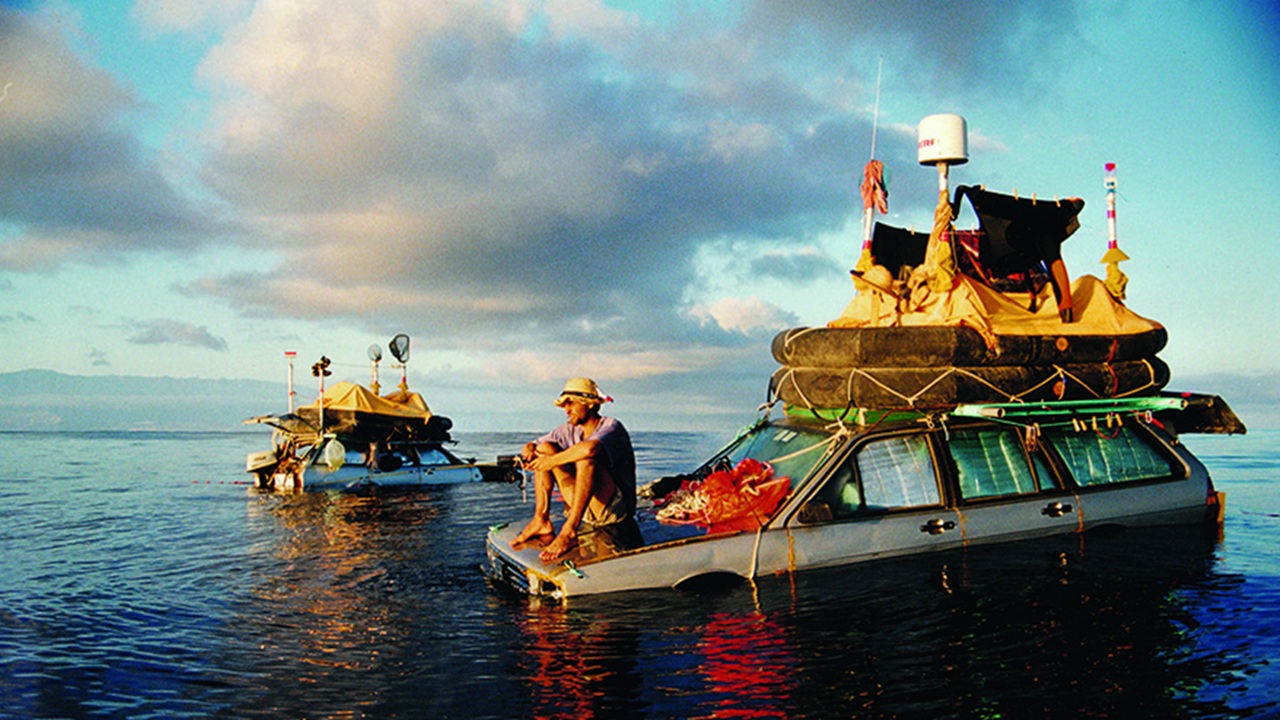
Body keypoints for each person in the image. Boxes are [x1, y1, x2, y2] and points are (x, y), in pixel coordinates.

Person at [512, 377, 639, 562]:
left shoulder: (612, 427)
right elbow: (533, 444)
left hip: (614, 511)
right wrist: (530, 452)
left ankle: (569, 531)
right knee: (545, 448)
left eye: (570, 403)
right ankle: (541, 519)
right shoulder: (569, 429)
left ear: (589, 404)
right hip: (586, 509)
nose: (566, 410)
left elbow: (589, 449)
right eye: (564, 405)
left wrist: (551, 462)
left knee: (585, 458)